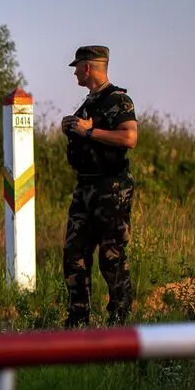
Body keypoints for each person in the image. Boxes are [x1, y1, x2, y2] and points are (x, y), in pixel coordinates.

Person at [60, 45, 139, 328]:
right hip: (86, 188)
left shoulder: (118, 100)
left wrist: (88, 131)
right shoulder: (89, 102)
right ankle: (78, 320)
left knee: (111, 256)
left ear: (88, 67)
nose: (75, 73)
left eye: (77, 67)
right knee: (74, 255)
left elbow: (129, 138)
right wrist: (71, 126)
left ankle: (119, 319)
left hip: (112, 188)